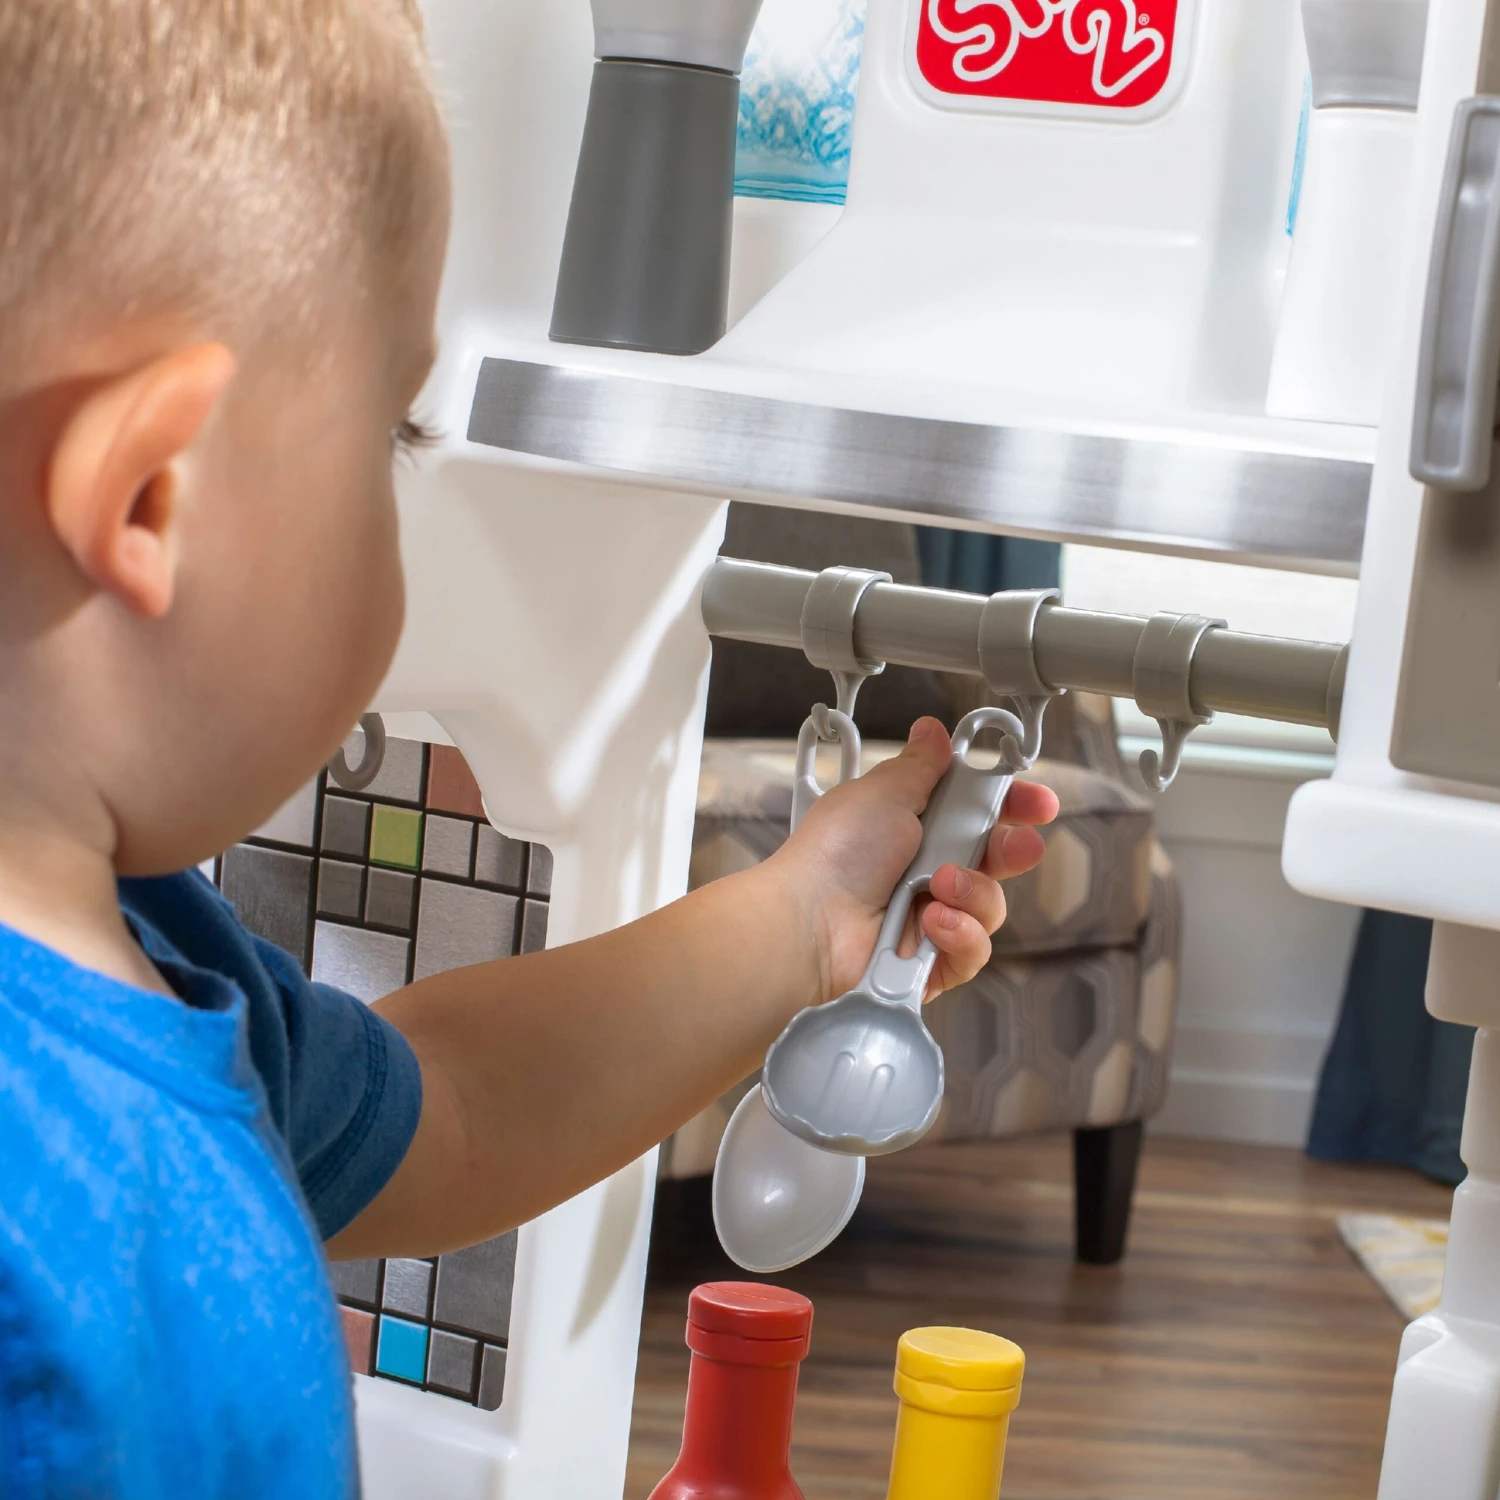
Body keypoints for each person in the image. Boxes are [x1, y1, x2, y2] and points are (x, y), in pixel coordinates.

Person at [0, 3, 1060, 1496]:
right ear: (148, 501)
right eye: (392, 438)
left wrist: (799, 918)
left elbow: (454, 1101)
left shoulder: (155, 958)